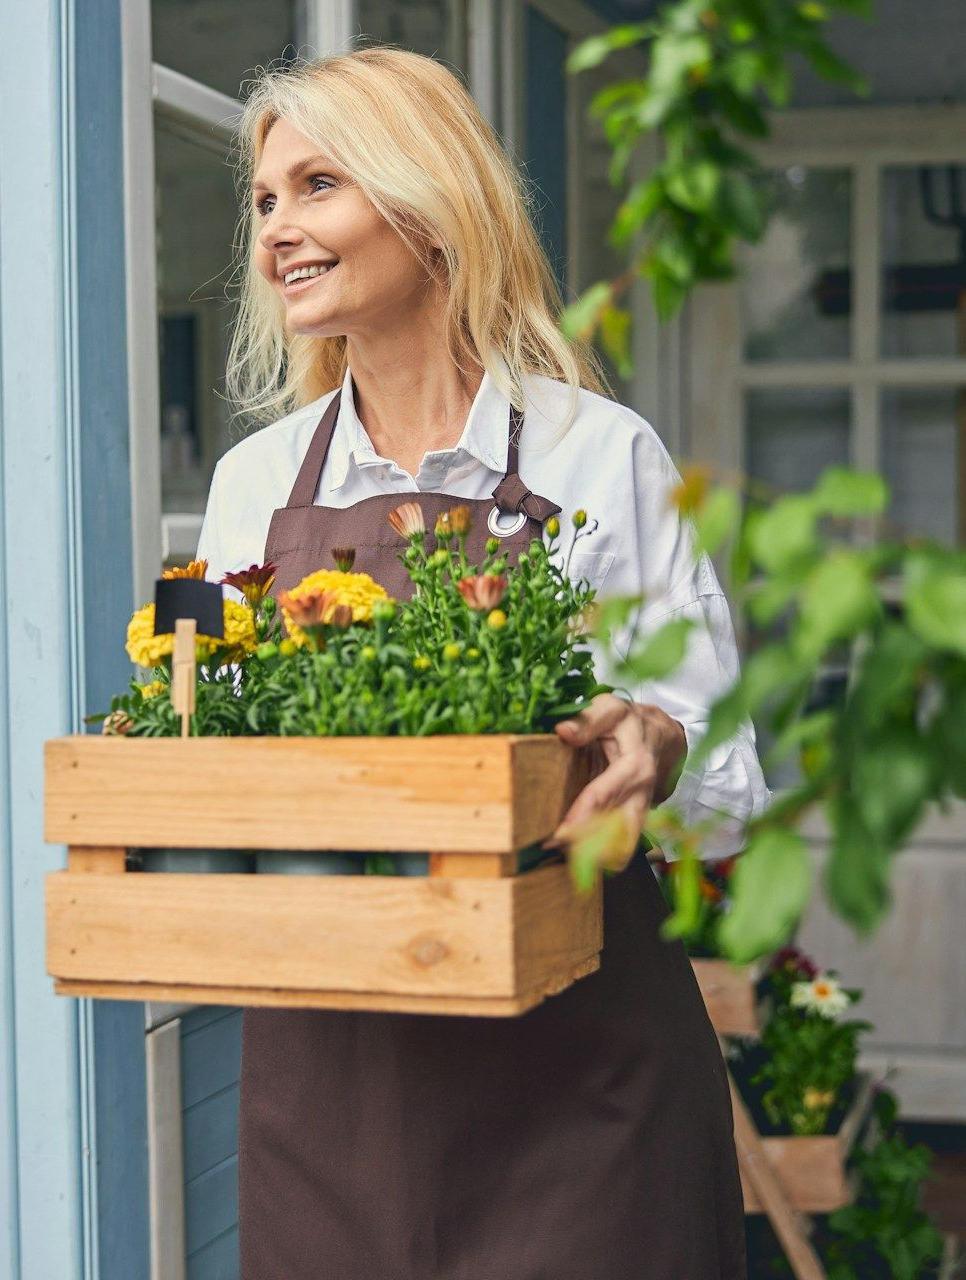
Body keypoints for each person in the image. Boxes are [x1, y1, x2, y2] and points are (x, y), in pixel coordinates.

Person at [195, 47, 768, 1280]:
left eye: (315, 184)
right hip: (331, 1095)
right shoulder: (252, 486)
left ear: (425, 199)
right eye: (262, 200)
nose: (276, 228)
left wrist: (660, 745)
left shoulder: (594, 452)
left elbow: (730, 782)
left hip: (582, 1081)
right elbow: (210, 753)